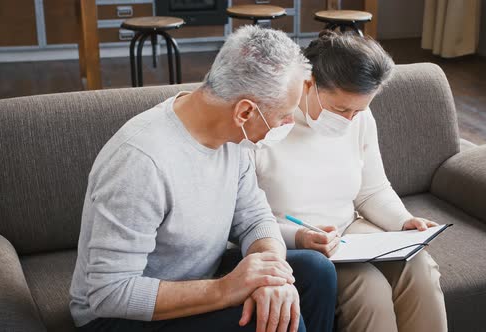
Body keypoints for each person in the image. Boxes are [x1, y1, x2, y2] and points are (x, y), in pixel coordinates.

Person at [69, 25, 337, 332]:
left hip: (197, 279)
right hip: (116, 318)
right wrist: (226, 290)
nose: (289, 123)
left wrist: (271, 274)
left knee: (317, 272)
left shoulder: (233, 139)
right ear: (245, 112)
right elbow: (110, 294)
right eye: (283, 115)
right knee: (271, 325)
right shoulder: (142, 162)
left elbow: (253, 219)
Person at [253, 30, 448, 332]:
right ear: (309, 84)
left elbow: (373, 190)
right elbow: (243, 219)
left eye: (359, 110)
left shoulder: (360, 118)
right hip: (293, 243)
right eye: (340, 108)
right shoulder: (266, 124)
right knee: (368, 289)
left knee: (420, 266)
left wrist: (403, 221)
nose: (348, 120)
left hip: (348, 232)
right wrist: (299, 237)